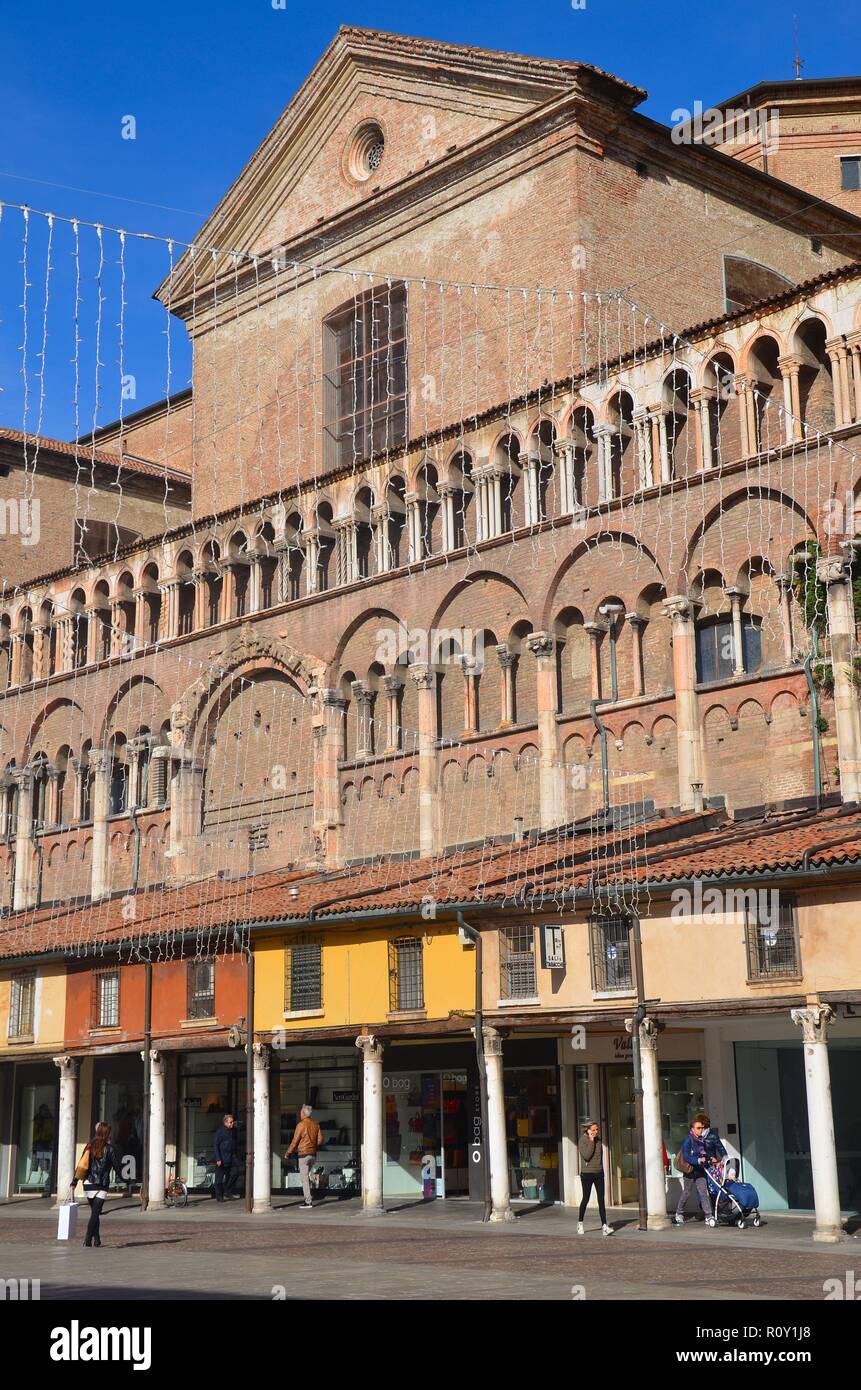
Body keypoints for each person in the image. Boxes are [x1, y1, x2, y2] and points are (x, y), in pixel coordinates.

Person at [71, 1121, 120, 1248]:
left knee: (95, 1212)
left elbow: (81, 1165)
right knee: (95, 1213)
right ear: (107, 1133)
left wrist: (74, 1181)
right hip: (102, 1184)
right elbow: (117, 1166)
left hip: (88, 1183)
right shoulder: (110, 1149)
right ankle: (87, 1239)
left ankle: (97, 1239)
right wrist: (126, 1180)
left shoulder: (89, 1146)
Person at [675, 1113, 713, 1225]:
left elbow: (704, 1153)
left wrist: (709, 1158)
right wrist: (697, 1160)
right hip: (690, 1170)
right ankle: (679, 1213)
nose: (701, 1130)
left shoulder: (701, 1140)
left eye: (702, 1128)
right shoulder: (688, 1140)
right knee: (686, 1193)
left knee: (703, 1193)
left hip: (700, 1170)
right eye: (698, 1128)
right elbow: (686, 1156)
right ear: (692, 1128)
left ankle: (708, 1216)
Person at [577, 1120, 613, 1236]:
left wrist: (601, 1170)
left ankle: (604, 1226)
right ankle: (580, 1223)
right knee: (586, 1198)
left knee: (601, 1200)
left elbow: (598, 1158)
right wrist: (591, 1141)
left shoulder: (599, 1140)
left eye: (597, 1129)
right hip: (587, 1174)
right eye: (593, 1130)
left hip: (598, 1173)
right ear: (587, 1130)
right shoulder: (583, 1140)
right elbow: (586, 1155)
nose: (596, 1131)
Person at [285, 1104, 323, 1209]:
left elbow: (295, 1141)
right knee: (307, 1176)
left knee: (304, 1178)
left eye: (301, 1111)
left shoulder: (301, 1125)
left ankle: (308, 1201)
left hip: (303, 1155)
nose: (300, 1113)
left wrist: (288, 1152)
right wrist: (312, 1145)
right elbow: (320, 1140)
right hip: (313, 1155)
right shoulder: (316, 1124)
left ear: (303, 1113)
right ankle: (310, 1194)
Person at [213, 1113, 240, 1202]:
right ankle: (219, 1196)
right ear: (225, 1123)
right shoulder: (220, 1132)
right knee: (219, 1178)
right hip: (222, 1157)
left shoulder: (232, 1131)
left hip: (232, 1156)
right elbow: (216, 1145)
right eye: (230, 1122)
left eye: (232, 1122)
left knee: (235, 1173)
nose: (232, 1124)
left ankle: (227, 1191)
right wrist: (218, 1158)